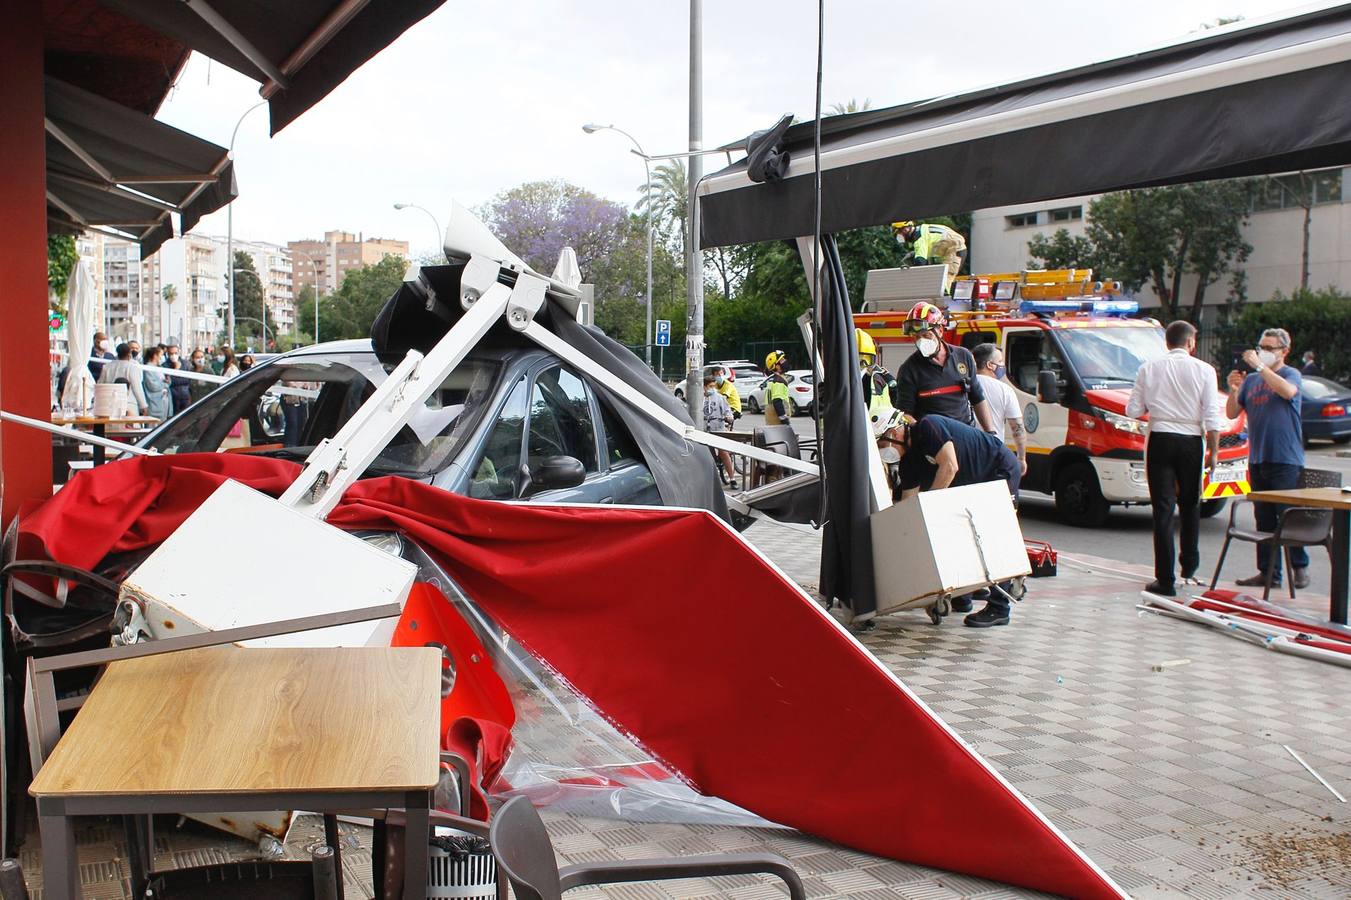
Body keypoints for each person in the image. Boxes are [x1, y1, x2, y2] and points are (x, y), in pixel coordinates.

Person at [887, 412, 1022, 627]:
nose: (885, 449)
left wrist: (929, 506)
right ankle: (962, 597)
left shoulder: (928, 426)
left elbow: (950, 467)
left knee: (996, 536)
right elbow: (907, 510)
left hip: (997, 468)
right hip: (971, 483)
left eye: (883, 441)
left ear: (895, 431)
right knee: (956, 533)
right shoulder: (909, 463)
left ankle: (999, 608)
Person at [1127, 321, 1224, 596]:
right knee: (1191, 502)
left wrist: (1157, 405)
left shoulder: (1149, 368)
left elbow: (1133, 409)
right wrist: (1214, 452)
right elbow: (1212, 416)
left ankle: (1165, 579)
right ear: (1191, 343)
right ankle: (1189, 564)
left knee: (1163, 510)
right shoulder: (1205, 370)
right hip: (1192, 440)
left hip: (1160, 438)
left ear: (1167, 342)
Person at [1226, 327, 1308, 590]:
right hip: (1259, 458)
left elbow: (1288, 392)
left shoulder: (1289, 374)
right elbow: (1231, 412)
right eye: (1261, 346)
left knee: (1288, 516)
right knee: (1264, 519)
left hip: (1285, 458)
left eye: (1270, 348)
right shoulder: (1252, 381)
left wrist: (1261, 366)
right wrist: (1233, 388)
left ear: (1284, 351)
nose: (1263, 351)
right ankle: (1269, 572)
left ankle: (1300, 567)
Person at [894, 302, 997, 433]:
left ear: (940, 331)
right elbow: (904, 414)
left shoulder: (963, 356)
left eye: (926, 335)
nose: (921, 341)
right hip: (934, 443)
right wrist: (927, 432)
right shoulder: (909, 370)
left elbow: (977, 398)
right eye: (917, 337)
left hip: (966, 435)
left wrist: (990, 433)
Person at [972, 343, 1027, 477]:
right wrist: (1021, 458)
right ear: (990, 365)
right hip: (992, 453)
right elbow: (1017, 428)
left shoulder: (963, 384)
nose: (1003, 366)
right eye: (1000, 362)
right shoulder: (1005, 390)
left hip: (964, 452)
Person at [892, 221, 967, 292]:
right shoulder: (921, 230)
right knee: (938, 277)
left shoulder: (919, 238)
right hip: (953, 249)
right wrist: (914, 254)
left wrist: (911, 277)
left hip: (955, 250)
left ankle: (945, 302)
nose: (899, 236)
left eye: (899, 233)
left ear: (905, 229)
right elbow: (929, 247)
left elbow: (920, 262)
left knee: (945, 279)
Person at [857, 328, 900, 422]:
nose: (862, 364)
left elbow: (895, 405)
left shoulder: (882, 380)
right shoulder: (831, 384)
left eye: (866, 359)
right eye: (857, 359)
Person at [97, 342, 149, 415]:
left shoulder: (107, 366)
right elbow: (137, 387)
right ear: (129, 354)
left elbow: (100, 385)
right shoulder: (131, 367)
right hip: (129, 404)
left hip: (110, 404)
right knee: (130, 426)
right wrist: (143, 405)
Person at [702, 374, 736, 486]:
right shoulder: (699, 398)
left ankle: (732, 478)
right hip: (705, 430)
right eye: (710, 386)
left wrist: (729, 416)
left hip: (718, 428)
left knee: (723, 452)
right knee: (705, 453)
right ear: (704, 387)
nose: (713, 389)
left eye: (714, 386)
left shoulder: (720, 398)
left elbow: (727, 411)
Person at [710, 367, 740, 484]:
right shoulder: (714, 387)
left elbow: (723, 400)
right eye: (717, 374)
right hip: (714, 419)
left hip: (733, 410)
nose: (719, 376)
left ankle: (732, 478)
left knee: (722, 448)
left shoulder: (726, 386)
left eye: (721, 374)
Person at [140, 346, 172, 420]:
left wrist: (167, 381)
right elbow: (152, 386)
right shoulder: (148, 368)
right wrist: (165, 384)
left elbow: (165, 381)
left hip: (163, 402)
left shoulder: (159, 368)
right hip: (154, 403)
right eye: (161, 355)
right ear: (155, 356)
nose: (162, 357)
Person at [763, 350, 792, 426]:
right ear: (777, 366)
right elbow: (777, 401)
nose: (785, 361)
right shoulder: (779, 381)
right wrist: (784, 420)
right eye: (782, 360)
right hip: (777, 422)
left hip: (771, 421)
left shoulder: (773, 380)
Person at [163, 341, 192, 414]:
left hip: (185, 396)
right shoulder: (164, 365)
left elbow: (188, 380)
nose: (173, 355)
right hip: (172, 397)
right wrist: (176, 370)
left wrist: (174, 379)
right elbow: (168, 382)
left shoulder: (186, 363)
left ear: (179, 352)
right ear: (167, 354)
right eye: (171, 354)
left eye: (175, 353)